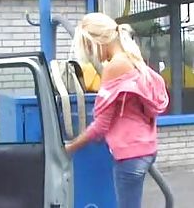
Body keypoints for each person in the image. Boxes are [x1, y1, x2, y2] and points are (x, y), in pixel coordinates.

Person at [65, 12, 169, 208]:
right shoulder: (133, 58)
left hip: (129, 155)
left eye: (88, 47)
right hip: (145, 147)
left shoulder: (114, 66)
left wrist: (70, 148)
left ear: (98, 41)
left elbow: (101, 126)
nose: (90, 54)